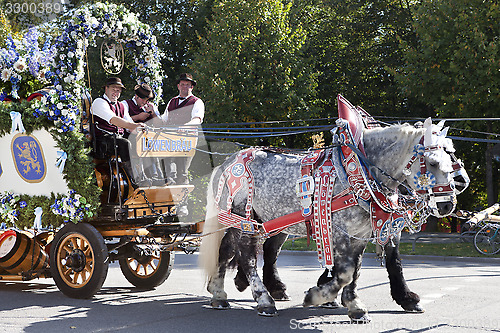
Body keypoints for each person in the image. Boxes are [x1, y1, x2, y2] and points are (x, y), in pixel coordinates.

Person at [91, 77, 145, 187]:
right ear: (106, 89)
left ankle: (147, 176)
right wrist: (134, 125)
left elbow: (129, 125)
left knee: (141, 141)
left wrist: (143, 131)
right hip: (102, 140)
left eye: (118, 90)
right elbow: (113, 120)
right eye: (113, 89)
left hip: (117, 138)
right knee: (125, 143)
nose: (116, 92)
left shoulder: (121, 106)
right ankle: (134, 181)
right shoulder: (99, 102)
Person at [161, 73, 204, 186]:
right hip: (170, 140)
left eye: (187, 85)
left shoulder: (197, 102)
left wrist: (185, 127)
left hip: (187, 141)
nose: (185, 86)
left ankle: (183, 201)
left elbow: (197, 120)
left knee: (182, 172)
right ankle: (170, 197)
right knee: (169, 171)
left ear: (191, 87)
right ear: (178, 86)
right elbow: (163, 120)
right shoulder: (172, 101)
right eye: (182, 84)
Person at [122, 83, 164, 186]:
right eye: (143, 99)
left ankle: (157, 177)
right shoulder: (125, 104)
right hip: (130, 136)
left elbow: (160, 125)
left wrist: (153, 113)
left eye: (147, 100)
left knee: (153, 142)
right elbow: (122, 122)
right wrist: (138, 117)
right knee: (141, 142)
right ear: (136, 97)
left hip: (147, 138)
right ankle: (141, 178)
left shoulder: (150, 106)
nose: (145, 102)